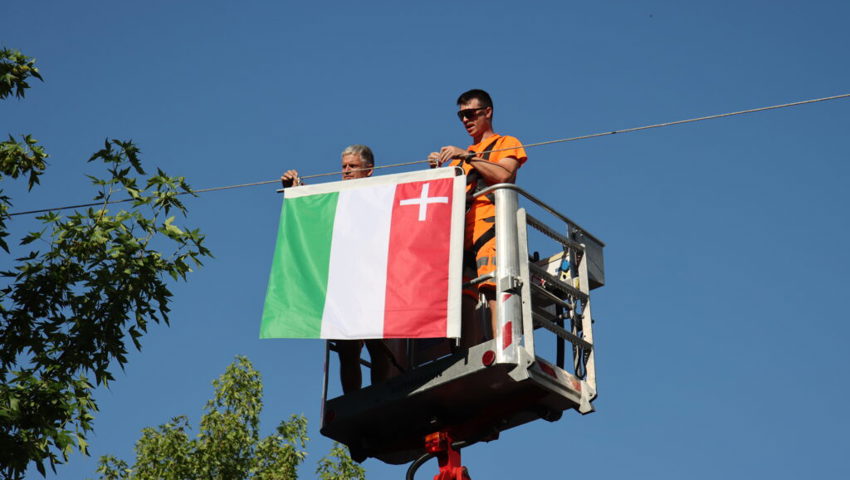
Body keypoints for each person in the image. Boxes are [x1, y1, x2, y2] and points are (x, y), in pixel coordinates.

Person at [281, 144, 406, 393]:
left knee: (377, 345)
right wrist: (297, 192)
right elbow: (316, 213)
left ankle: (377, 395)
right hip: (344, 284)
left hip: (372, 281)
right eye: (344, 167)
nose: (346, 171)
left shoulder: (380, 195)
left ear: (368, 170)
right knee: (347, 349)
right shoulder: (336, 198)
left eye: (353, 166)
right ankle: (353, 398)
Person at [428, 89, 528, 348]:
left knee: (492, 288)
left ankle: (502, 346)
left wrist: (466, 156)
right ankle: (468, 354)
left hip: (490, 225)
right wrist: (436, 174)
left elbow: (505, 175)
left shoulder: (506, 142)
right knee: (464, 298)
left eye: (470, 114)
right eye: (461, 115)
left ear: (487, 112)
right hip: (461, 234)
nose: (465, 120)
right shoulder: (458, 159)